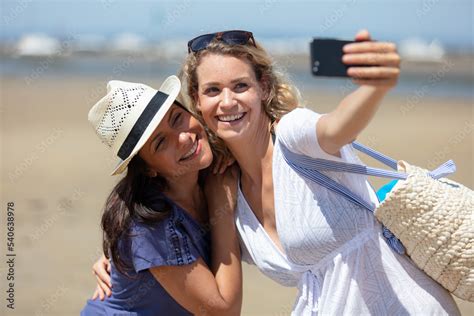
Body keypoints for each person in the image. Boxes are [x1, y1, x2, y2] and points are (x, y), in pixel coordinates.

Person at [179, 30, 460, 315]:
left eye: (240, 86)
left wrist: (373, 88)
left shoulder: (293, 135)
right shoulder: (228, 191)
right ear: (197, 100)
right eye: (212, 90)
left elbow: (336, 127)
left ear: (263, 87)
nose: (227, 102)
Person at [81, 76, 242, 315]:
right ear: (147, 168)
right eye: (160, 143)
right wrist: (222, 206)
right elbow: (224, 312)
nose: (185, 138)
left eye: (177, 118)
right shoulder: (148, 226)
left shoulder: (215, 166)